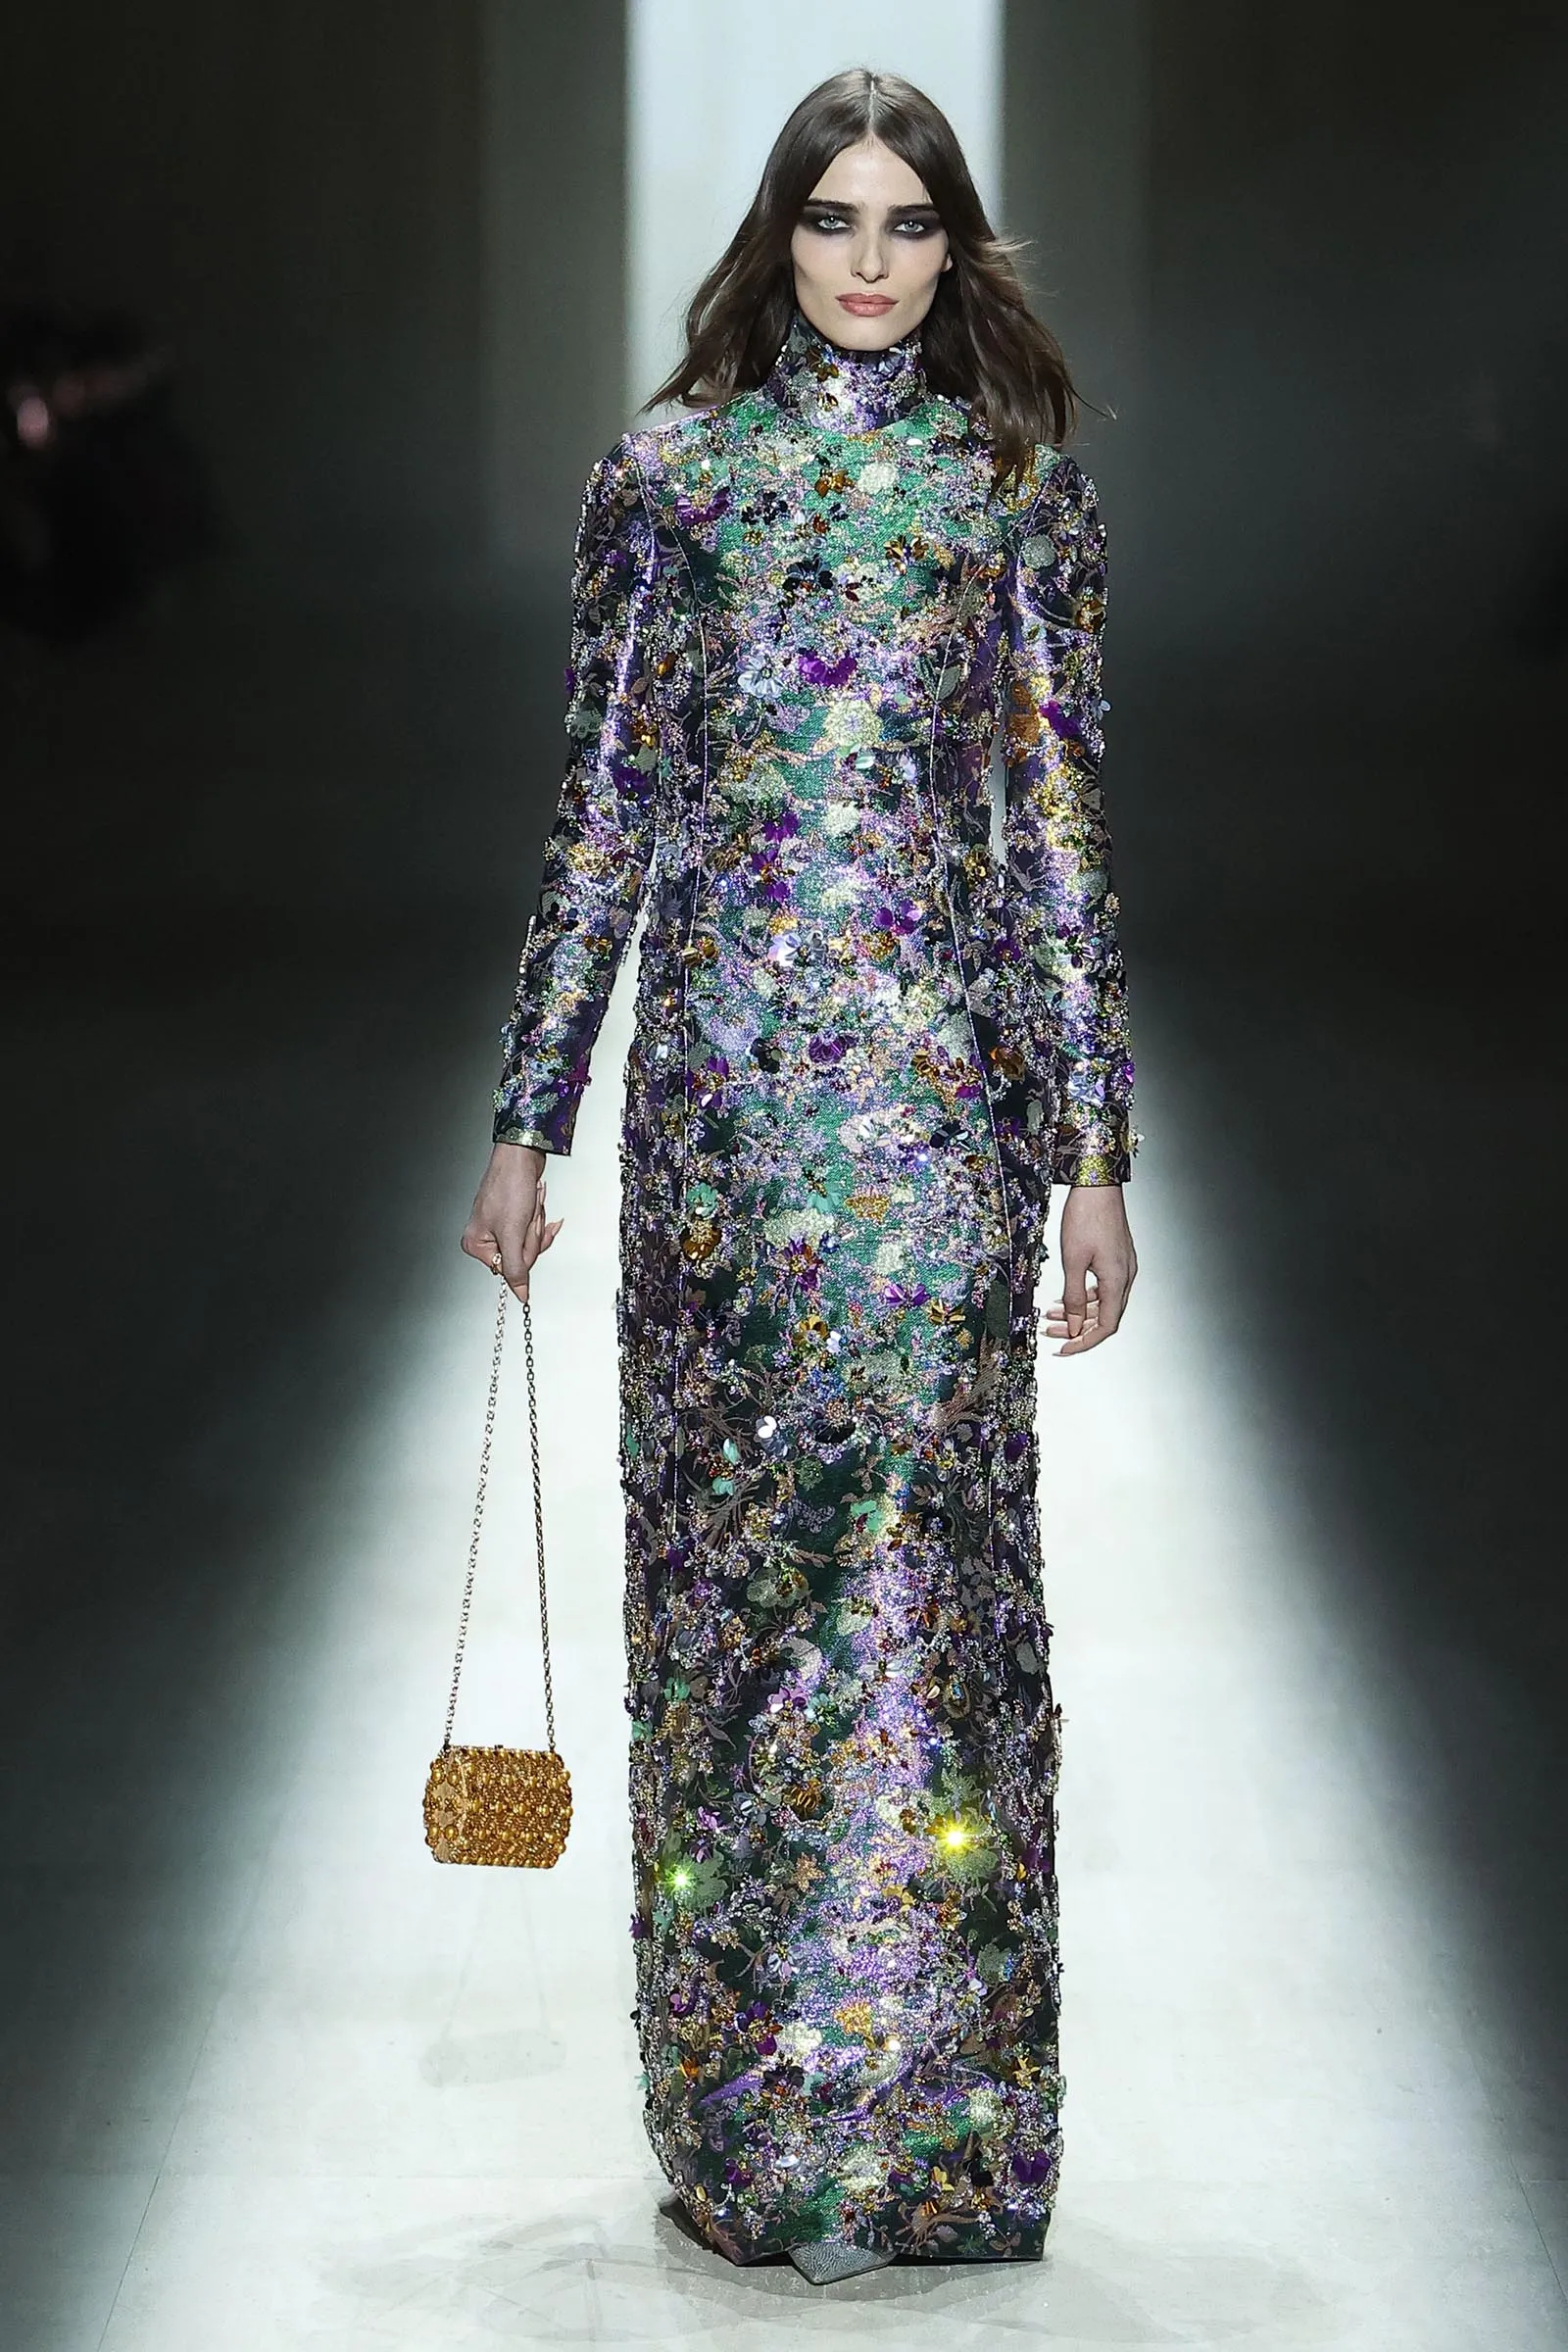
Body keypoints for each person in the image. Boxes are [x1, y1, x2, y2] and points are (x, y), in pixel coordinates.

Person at [462, 66, 1138, 2285]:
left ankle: (943, 2139)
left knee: (931, 1597)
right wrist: (532, 1114)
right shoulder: (668, 480)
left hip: (937, 1117)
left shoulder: (1012, 490)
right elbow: (605, 808)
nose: (868, 261)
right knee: (733, 1607)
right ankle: (755, 2130)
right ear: (778, 234)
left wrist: (1092, 1154)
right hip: (726, 1137)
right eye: (833, 219)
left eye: (908, 223)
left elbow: (1057, 835)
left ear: (954, 246)